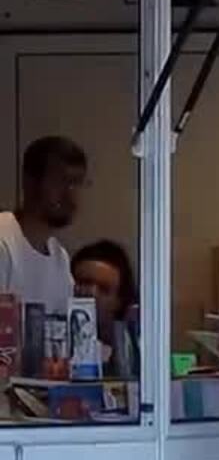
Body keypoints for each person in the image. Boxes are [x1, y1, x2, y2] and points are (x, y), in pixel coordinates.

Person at [0, 136, 87, 314]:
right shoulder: (3, 243)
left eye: (77, 183)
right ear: (30, 182)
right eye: (61, 181)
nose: (71, 195)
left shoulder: (59, 257)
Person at [71, 241, 138, 378]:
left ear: (120, 301)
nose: (91, 294)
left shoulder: (130, 355)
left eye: (104, 289)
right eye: (83, 283)